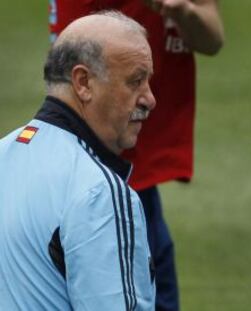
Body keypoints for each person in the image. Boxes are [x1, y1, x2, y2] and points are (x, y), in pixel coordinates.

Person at [48, 1, 224, 310]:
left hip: (135, 168)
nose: (150, 98)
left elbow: (211, 38)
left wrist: (181, 8)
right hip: (92, 152)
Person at [0, 11, 157, 310]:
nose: (150, 99)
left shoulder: (3, 152)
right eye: (135, 81)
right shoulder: (99, 192)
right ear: (83, 82)